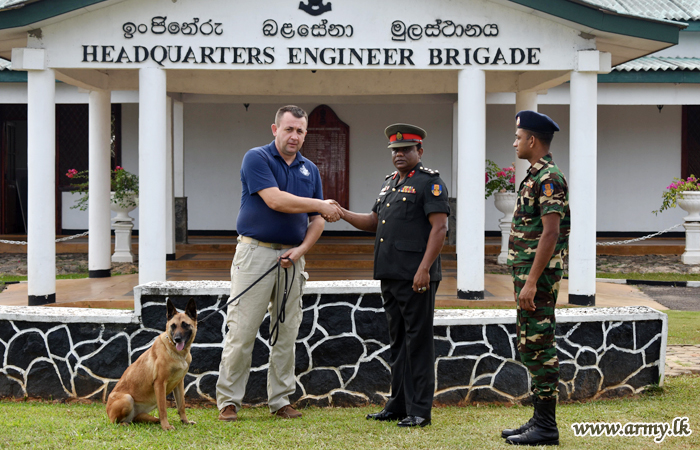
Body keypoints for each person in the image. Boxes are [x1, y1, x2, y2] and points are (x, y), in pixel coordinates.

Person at [216, 105, 343, 422]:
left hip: (292, 259)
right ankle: (229, 401)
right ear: (275, 130)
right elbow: (275, 199)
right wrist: (321, 204)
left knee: (286, 333)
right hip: (255, 254)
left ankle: (281, 400)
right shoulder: (256, 158)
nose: (295, 136)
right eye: (289, 129)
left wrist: (301, 250)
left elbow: (317, 221)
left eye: (300, 130)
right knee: (242, 331)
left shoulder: (309, 170)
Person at [337, 123, 449, 428]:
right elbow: (374, 221)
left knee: (418, 342)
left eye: (406, 149)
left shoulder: (430, 183)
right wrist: (343, 213)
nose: (399, 154)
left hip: (416, 276)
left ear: (419, 152)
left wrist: (424, 268)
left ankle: (420, 410)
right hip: (391, 274)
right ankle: (398, 404)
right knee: (398, 342)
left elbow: (439, 229)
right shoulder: (390, 184)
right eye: (395, 150)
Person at [502, 110, 570, 446]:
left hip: (538, 279)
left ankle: (547, 427)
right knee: (530, 345)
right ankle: (539, 419)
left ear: (532, 140)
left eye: (518, 137)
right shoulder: (535, 176)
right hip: (530, 275)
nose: (514, 142)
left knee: (541, 347)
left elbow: (551, 232)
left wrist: (531, 281)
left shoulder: (548, 178)